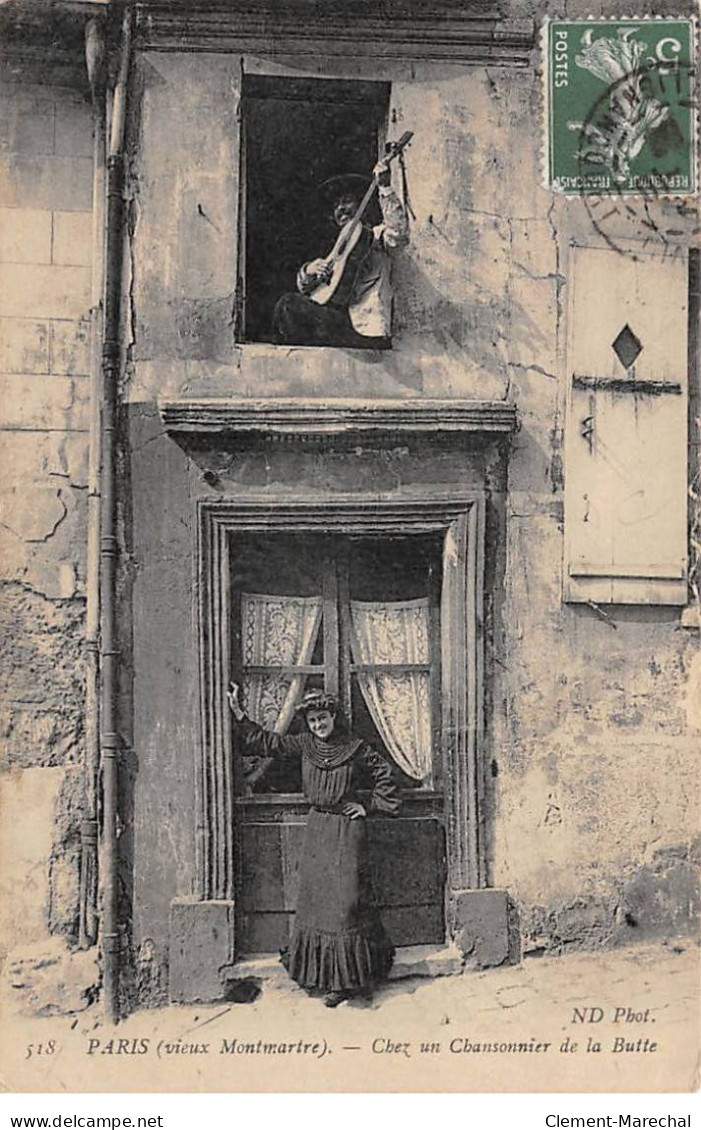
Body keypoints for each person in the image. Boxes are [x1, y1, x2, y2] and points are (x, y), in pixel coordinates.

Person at [227, 683, 400, 1007]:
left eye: (323, 718)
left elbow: (385, 775)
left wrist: (369, 806)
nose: (319, 725)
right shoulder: (305, 745)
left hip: (347, 831)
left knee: (346, 905)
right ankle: (326, 979)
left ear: (333, 716)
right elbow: (268, 743)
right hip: (318, 829)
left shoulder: (355, 747)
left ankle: (350, 982)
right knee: (318, 904)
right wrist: (239, 714)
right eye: (312, 721)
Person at [272, 158, 409, 348]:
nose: (340, 209)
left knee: (288, 304)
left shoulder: (377, 237)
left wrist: (385, 188)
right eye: (336, 205)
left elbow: (398, 235)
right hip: (336, 323)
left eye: (347, 201)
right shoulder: (337, 247)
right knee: (288, 306)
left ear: (362, 205)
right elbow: (307, 289)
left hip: (365, 328)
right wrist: (311, 269)